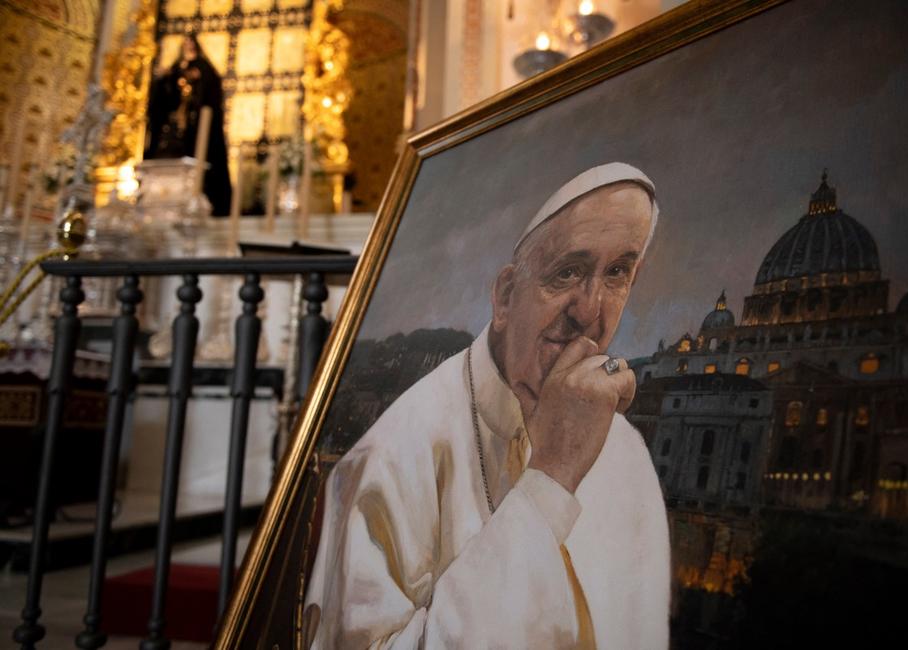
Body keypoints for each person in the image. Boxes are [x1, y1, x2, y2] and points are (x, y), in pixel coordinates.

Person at [303, 162, 671, 648]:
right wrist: (552, 479)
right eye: (567, 273)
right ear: (504, 296)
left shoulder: (628, 452)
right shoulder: (394, 454)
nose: (591, 313)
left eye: (618, 273)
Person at [146, 34, 232, 216]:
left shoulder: (203, 67)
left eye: (191, 43)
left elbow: (209, 90)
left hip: (197, 126)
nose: (189, 46)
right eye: (186, 43)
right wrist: (165, 78)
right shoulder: (177, 68)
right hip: (177, 125)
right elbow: (167, 94)